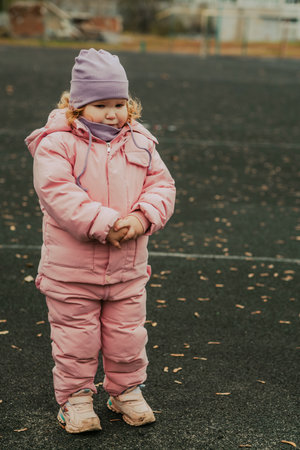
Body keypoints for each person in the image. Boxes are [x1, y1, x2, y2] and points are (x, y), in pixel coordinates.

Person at [25, 48, 176, 434]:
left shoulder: (139, 141)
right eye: (101, 104)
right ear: (77, 106)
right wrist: (106, 223)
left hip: (126, 271)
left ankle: (125, 390)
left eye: (119, 103)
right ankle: (74, 399)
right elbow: (59, 194)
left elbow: (162, 185)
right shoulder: (57, 144)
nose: (113, 113)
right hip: (72, 273)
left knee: (128, 337)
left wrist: (143, 217)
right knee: (76, 340)